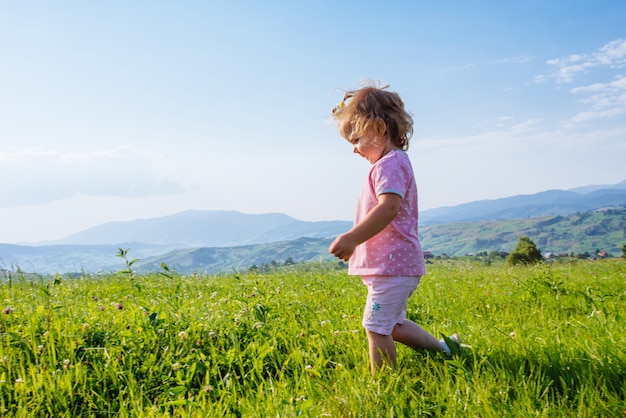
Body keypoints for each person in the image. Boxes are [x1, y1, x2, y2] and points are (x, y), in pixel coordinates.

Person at [328, 82, 460, 374]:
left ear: (378, 128)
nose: (354, 149)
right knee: (393, 325)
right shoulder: (389, 163)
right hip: (391, 266)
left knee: (376, 327)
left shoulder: (390, 163)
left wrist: (352, 237)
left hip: (393, 266)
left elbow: (389, 207)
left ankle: (385, 385)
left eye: (356, 139)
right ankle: (445, 350)